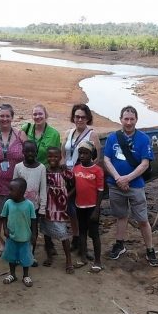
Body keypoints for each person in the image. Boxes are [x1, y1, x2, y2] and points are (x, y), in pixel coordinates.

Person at [103, 105, 158, 267]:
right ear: (120, 119)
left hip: (135, 186)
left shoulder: (143, 139)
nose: (128, 122)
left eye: (131, 119)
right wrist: (117, 178)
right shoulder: (112, 138)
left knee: (142, 219)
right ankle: (119, 244)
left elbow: (144, 163)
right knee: (121, 216)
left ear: (136, 120)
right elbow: (107, 159)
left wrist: (126, 179)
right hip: (115, 185)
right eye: (125, 119)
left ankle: (150, 249)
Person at [0, 104, 27, 255]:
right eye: (2, 116)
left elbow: (28, 156)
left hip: (16, 183)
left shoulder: (21, 135)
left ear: (12, 117)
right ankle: (2, 242)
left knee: (15, 213)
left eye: (7, 116)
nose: (5, 119)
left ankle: (15, 240)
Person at [62, 103, 102, 254]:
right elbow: (63, 154)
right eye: (77, 116)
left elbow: (97, 158)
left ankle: (84, 241)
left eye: (83, 117)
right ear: (73, 117)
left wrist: (86, 174)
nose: (79, 119)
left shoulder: (92, 135)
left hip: (83, 178)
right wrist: (63, 171)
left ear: (88, 118)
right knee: (71, 209)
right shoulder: (68, 133)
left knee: (83, 209)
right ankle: (76, 236)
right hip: (68, 178)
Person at [41, 146, 75, 273]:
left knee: (63, 234)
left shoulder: (64, 171)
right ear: (46, 157)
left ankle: (69, 260)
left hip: (60, 208)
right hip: (47, 207)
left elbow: (74, 184)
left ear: (60, 157)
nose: (52, 159)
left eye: (55, 156)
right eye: (50, 156)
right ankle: (49, 256)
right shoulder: (44, 171)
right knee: (46, 232)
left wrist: (67, 195)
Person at [72, 140, 104, 272]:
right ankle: (83, 257)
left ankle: (97, 261)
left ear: (92, 154)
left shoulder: (97, 170)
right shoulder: (76, 168)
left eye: (85, 153)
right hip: (79, 206)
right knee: (82, 232)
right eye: (80, 153)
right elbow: (75, 187)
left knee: (95, 234)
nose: (82, 156)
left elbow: (100, 191)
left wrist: (96, 210)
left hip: (92, 207)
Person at [13, 140, 46, 262]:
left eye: (33, 151)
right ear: (23, 152)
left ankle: (30, 255)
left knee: (33, 231)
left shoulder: (41, 168)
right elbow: (13, 186)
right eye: (27, 151)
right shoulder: (18, 167)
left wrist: (42, 208)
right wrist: (13, 203)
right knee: (19, 230)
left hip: (34, 207)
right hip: (19, 207)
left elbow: (43, 189)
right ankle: (19, 255)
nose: (30, 154)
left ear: (37, 152)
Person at [1, 178, 36, 287]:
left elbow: (34, 220)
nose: (9, 192)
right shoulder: (8, 203)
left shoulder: (29, 205)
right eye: (9, 189)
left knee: (25, 257)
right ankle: (12, 274)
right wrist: (5, 229)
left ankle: (25, 275)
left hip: (25, 237)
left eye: (12, 190)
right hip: (11, 236)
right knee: (11, 256)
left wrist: (34, 234)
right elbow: (4, 217)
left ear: (21, 191)